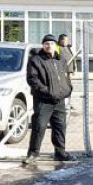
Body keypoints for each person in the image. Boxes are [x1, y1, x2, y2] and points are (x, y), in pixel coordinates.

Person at [23, 34, 74, 165]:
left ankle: (60, 152)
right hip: (43, 100)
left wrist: (67, 89)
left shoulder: (60, 60)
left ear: (55, 45)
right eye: (46, 43)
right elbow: (33, 80)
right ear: (43, 45)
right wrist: (48, 92)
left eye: (51, 43)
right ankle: (33, 153)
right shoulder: (36, 60)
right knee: (39, 127)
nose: (48, 45)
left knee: (60, 127)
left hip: (59, 100)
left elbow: (65, 78)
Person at [57, 33, 75, 113]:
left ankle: (68, 103)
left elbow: (71, 58)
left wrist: (73, 70)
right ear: (61, 40)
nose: (67, 41)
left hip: (69, 72)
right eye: (65, 40)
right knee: (64, 89)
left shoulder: (67, 47)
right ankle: (63, 104)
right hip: (62, 72)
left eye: (67, 40)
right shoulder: (57, 48)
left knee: (69, 88)